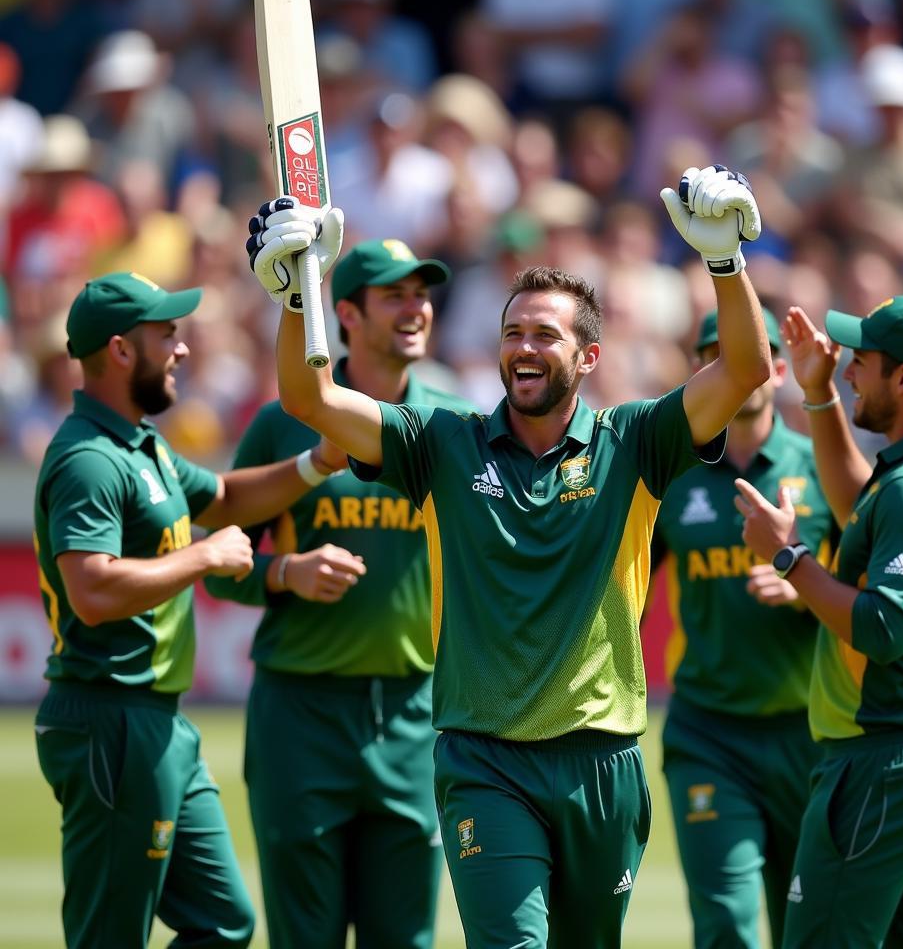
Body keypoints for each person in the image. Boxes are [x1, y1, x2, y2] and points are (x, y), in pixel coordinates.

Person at [245, 163, 772, 948]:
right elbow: (310, 399)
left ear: (588, 359)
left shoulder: (635, 441)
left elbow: (745, 371)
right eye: (512, 332)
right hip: (483, 763)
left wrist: (725, 264)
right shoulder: (440, 443)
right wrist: (297, 296)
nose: (524, 347)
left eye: (546, 335)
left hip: (605, 762)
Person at [32, 271, 350, 949]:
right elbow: (91, 592)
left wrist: (318, 462)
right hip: (109, 716)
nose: (181, 349)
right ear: (121, 351)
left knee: (224, 924)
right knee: (108, 936)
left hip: (155, 719)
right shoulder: (88, 459)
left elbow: (226, 500)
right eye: (166, 334)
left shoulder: (139, 444)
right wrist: (201, 561)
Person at [204, 239, 476, 949]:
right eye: (395, 296)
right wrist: (283, 574)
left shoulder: (456, 424)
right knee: (304, 937)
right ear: (346, 315)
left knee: (406, 937)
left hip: (416, 717)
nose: (417, 308)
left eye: (422, 293)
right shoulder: (283, 422)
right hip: (301, 716)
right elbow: (215, 561)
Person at [735, 296, 903, 948]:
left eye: (861, 360)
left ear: (902, 378)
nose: (848, 368)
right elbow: (862, 509)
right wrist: (817, 396)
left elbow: (883, 628)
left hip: (879, 762)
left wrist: (789, 558)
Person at [652, 305, 835, 948]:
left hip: (810, 734)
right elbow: (625, 590)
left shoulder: (823, 467)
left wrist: (802, 585)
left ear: (778, 370)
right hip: (710, 732)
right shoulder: (674, 473)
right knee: (726, 922)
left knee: (808, 928)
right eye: (712, 357)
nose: (730, 370)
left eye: (744, 357)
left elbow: (869, 595)